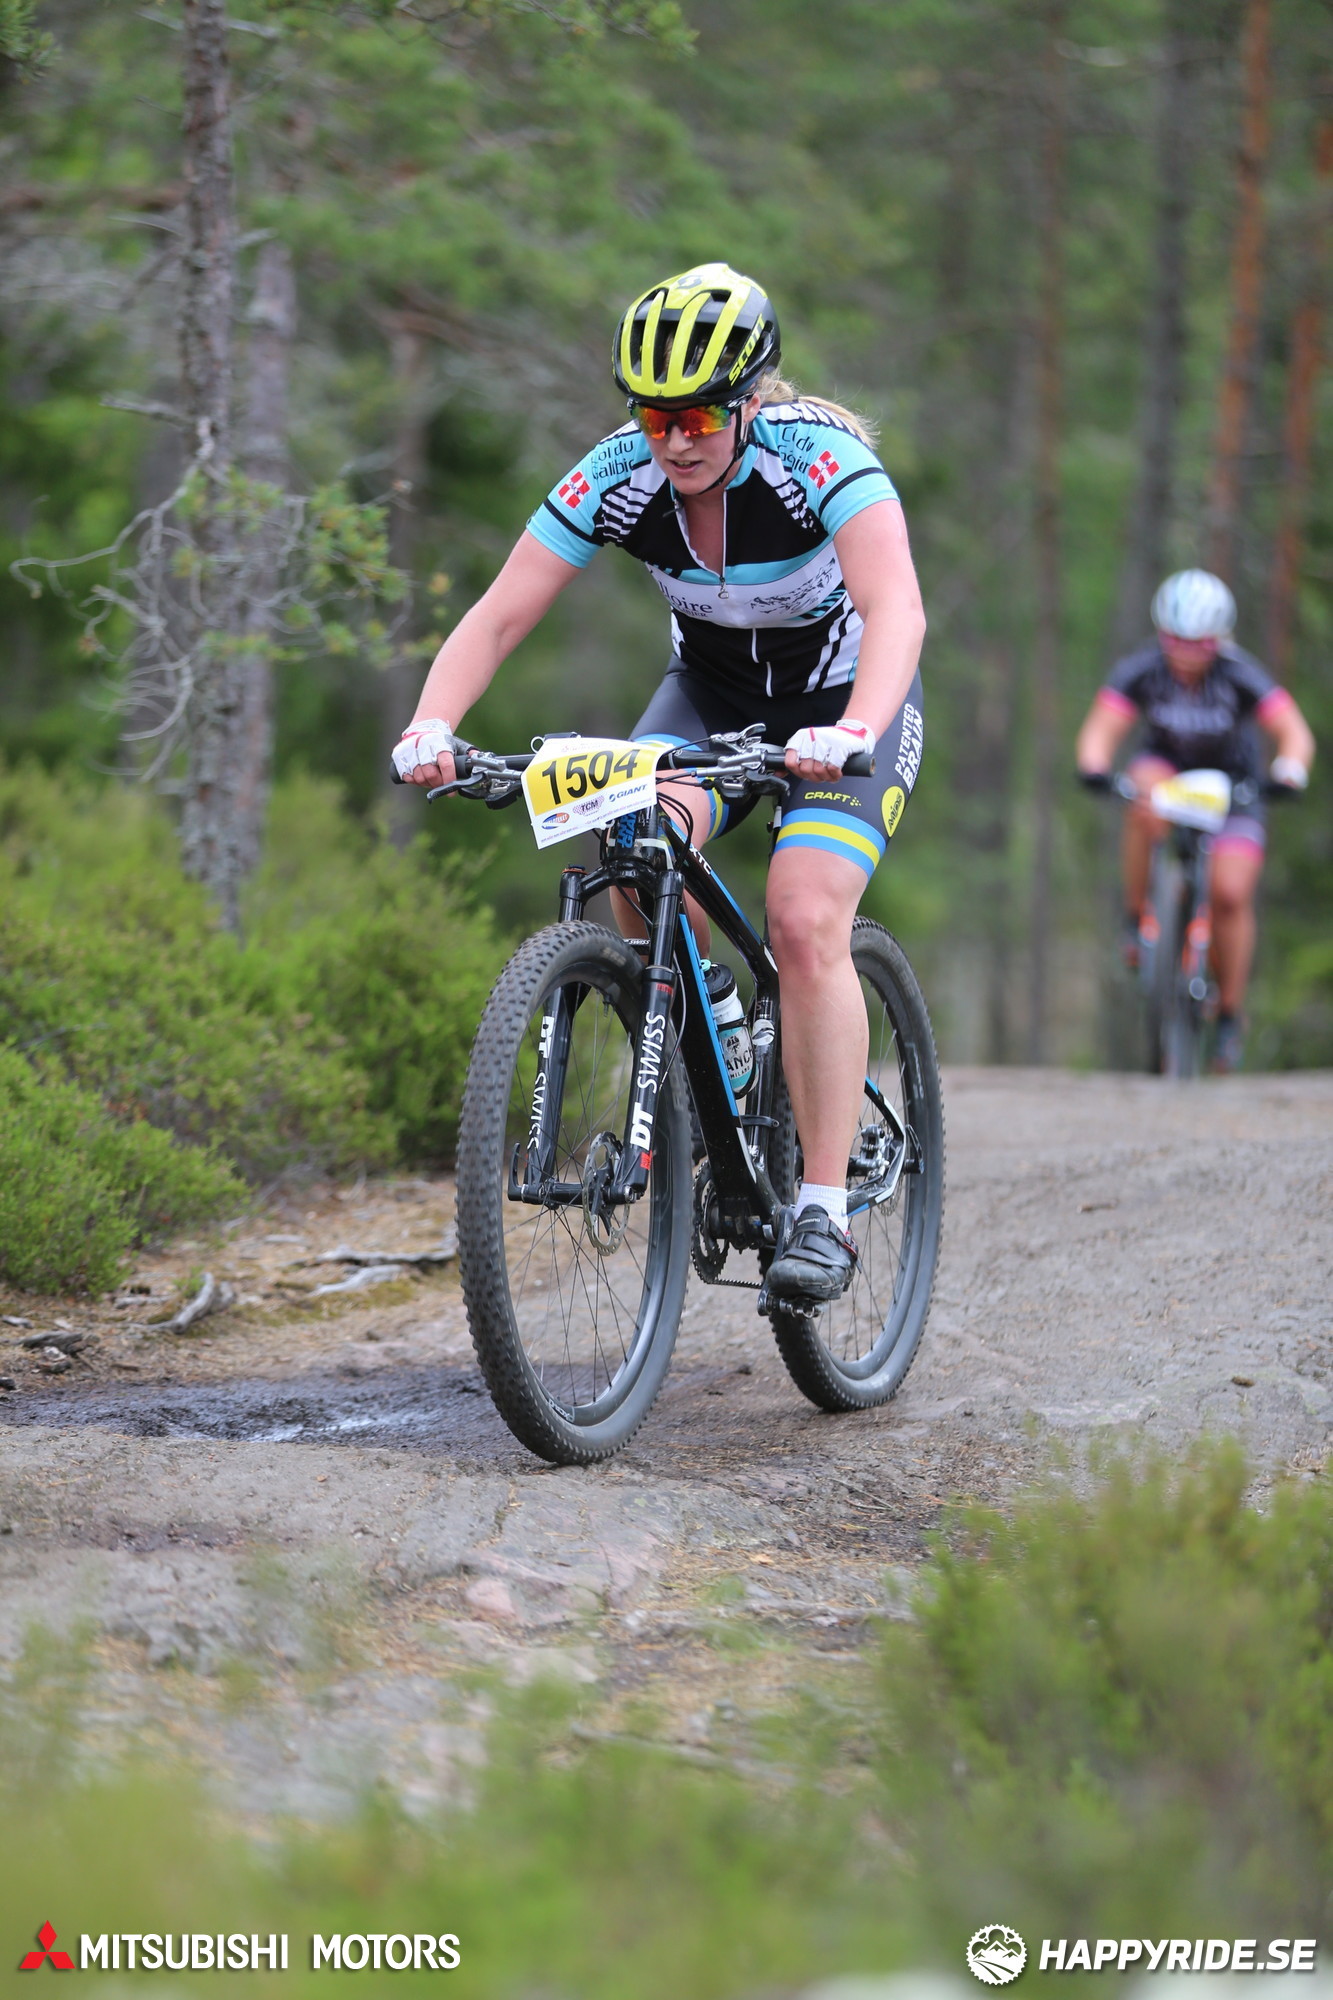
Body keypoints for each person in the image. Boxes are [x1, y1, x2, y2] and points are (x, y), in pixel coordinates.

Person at [392, 262, 927, 1305]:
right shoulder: (615, 474)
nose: (674, 441)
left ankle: (822, 1208)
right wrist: (431, 724)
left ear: (748, 402)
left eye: (697, 417)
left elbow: (895, 608)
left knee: (803, 915)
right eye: (652, 417)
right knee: (632, 844)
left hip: (848, 699)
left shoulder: (820, 459)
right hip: (712, 699)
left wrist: (854, 727)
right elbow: (500, 613)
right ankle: (714, 1023)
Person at [1075, 568, 1315, 1072]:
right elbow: (1101, 728)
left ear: (1219, 639)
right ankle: (1138, 917)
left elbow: (1293, 732)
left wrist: (1289, 771)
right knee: (1141, 790)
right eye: (1175, 642)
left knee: (1230, 894)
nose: (1185, 654)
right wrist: (1095, 766)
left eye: (1199, 644)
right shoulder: (1142, 669)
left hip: (1234, 792)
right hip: (1168, 777)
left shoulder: (1240, 674)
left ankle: (1229, 1014)